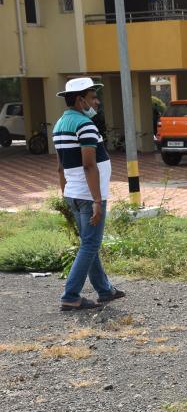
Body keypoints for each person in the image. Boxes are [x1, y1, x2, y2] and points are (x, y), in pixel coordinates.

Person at [53, 78, 125, 311]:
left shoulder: (60, 124)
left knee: (89, 244)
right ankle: (70, 295)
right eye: (93, 97)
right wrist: (96, 200)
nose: (97, 102)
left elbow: (60, 167)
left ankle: (105, 290)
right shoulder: (84, 125)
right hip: (88, 196)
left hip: (74, 194)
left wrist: (66, 196)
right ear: (80, 100)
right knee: (90, 244)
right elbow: (88, 165)